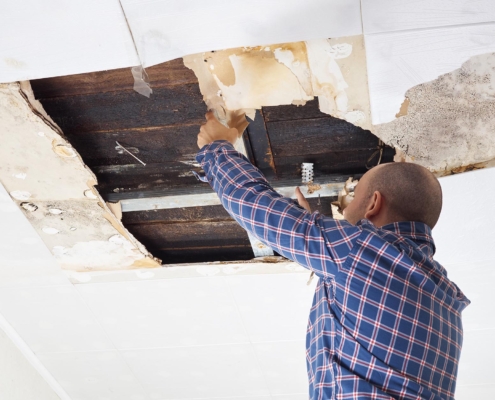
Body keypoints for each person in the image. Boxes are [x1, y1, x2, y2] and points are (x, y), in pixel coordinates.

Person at [196, 112, 470, 400]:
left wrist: (217, 146)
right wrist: (324, 241)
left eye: (353, 198)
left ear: (374, 203)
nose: (345, 210)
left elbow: (251, 203)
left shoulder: (359, 252)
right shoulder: (445, 301)